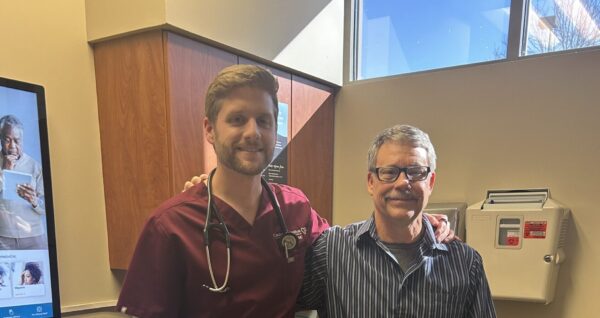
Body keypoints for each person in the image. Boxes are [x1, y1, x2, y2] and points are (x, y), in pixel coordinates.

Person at [119, 65, 453, 317]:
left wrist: (417, 222)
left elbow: (351, 246)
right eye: (237, 120)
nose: (253, 132)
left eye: (264, 121)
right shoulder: (169, 226)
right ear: (209, 129)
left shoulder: (294, 208)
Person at [297, 124, 496, 317]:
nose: (403, 183)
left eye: (416, 172)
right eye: (389, 172)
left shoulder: (465, 263)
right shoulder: (331, 252)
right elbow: (277, 304)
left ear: (431, 182)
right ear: (370, 182)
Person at [0, 115, 46, 250]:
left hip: (34, 236)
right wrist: (5, 171)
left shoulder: (35, 166)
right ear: (1, 139)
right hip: (3, 237)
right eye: (7, 140)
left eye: (17, 141)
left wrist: (34, 201)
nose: (12, 146)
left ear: (22, 140)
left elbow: (45, 208)